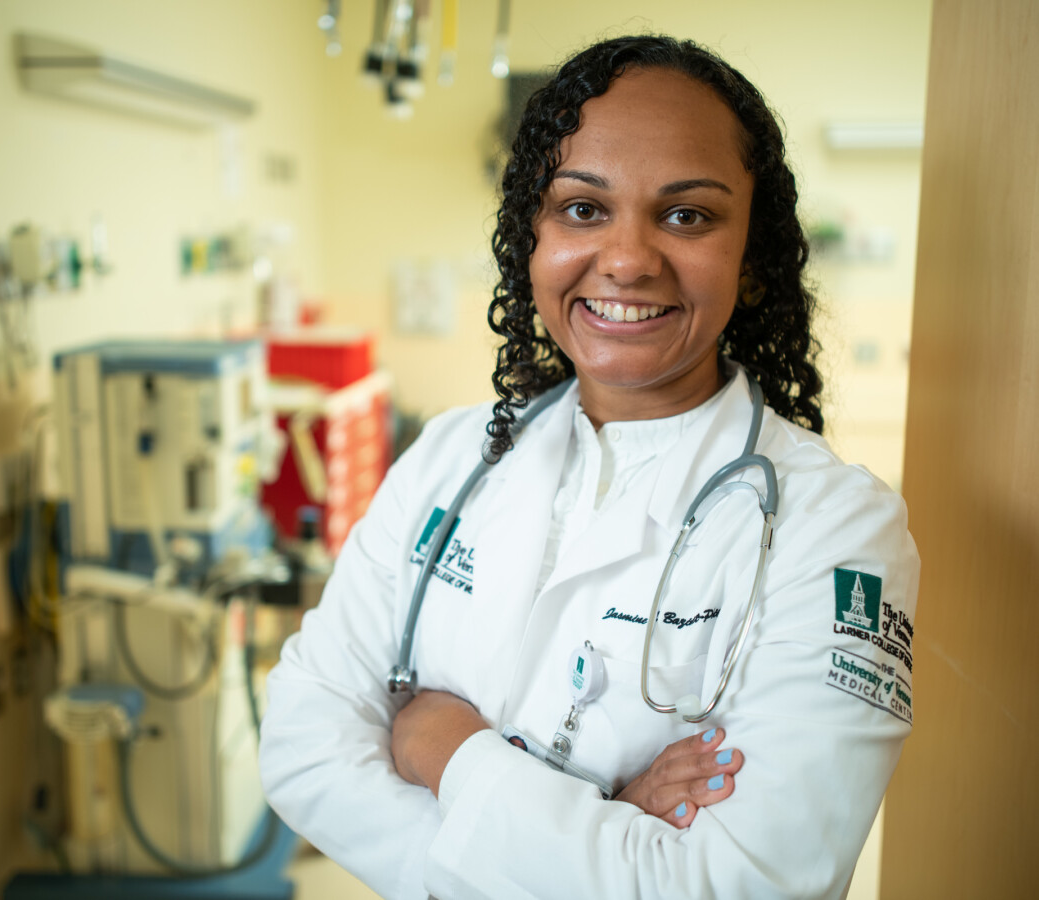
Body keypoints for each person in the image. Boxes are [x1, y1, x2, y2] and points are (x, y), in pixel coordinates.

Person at [259, 35, 919, 900]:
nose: (628, 258)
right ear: (529, 239)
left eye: (687, 215)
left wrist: (448, 752)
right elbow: (303, 748)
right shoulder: (452, 460)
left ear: (753, 263)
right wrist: (604, 811)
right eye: (581, 208)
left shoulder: (835, 531)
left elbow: (746, 886)